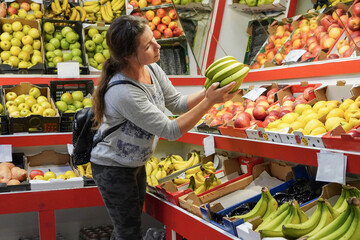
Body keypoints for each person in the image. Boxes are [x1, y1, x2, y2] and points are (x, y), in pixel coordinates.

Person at [90, 15, 239, 240]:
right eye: (148, 45)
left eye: (154, 39)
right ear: (129, 55)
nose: (158, 46)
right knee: (128, 232)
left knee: (126, 228)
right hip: (113, 168)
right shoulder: (123, 92)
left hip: (136, 163)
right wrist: (209, 101)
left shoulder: (151, 69)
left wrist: (209, 91)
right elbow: (170, 130)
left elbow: (177, 103)